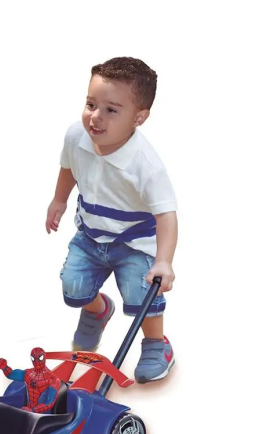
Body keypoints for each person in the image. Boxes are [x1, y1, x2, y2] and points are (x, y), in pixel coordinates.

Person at [46, 57, 177, 383]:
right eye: (91, 104)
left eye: (111, 110)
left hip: (133, 243)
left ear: (139, 118)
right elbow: (68, 167)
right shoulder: (76, 136)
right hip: (90, 236)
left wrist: (163, 261)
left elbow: (166, 215)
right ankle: (98, 311)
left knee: (141, 295)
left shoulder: (145, 165)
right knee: (73, 287)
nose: (96, 116)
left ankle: (157, 344)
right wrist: (59, 200)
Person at [0, 348, 61, 413]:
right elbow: (11, 374)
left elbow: (49, 403)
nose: (36, 362)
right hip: (27, 411)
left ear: (44, 357)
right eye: (33, 358)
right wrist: (5, 368)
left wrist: (32, 410)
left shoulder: (53, 379)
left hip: (43, 416)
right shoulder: (28, 374)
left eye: (40, 358)